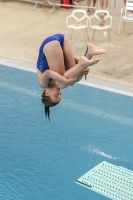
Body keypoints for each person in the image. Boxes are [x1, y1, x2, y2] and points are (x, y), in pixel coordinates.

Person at [36, 33, 106, 121]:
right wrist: (82, 68)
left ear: (47, 93)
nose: (59, 92)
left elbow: (48, 72)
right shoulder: (58, 80)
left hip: (50, 44)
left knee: (63, 83)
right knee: (76, 79)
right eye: (60, 94)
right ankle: (89, 52)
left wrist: (66, 80)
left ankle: (82, 63)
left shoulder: (43, 84)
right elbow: (70, 58)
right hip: (62, 39)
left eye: (56, 95)